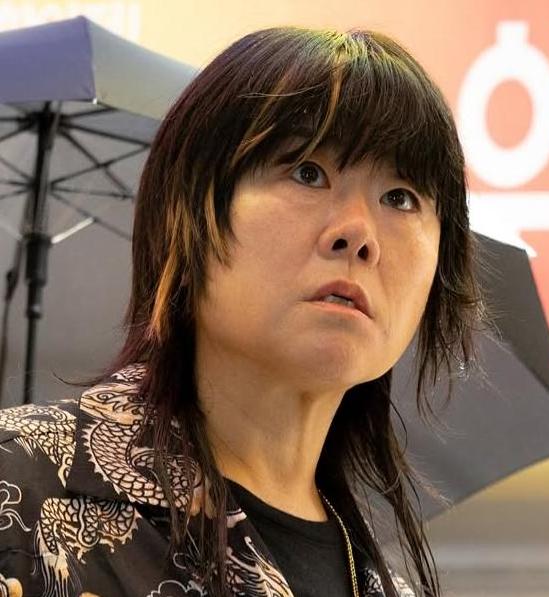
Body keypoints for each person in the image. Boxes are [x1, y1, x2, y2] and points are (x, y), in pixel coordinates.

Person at [0, 26, 482, 597]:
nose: (358, 234)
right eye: (307, 172)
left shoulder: (388, 586)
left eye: (400, 198)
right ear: (185, 212)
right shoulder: (21, 486)